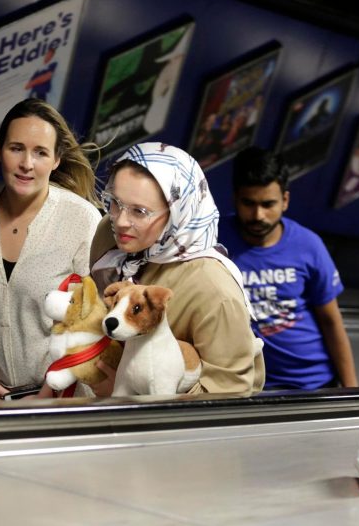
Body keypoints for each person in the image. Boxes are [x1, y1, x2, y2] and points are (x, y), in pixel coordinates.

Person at [89, 142, 265, 396]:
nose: (121, 221)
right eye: (115, 202)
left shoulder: (213, 289)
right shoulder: (110, 235)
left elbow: (229, 396)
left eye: (140, 211)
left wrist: (129, 395)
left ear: (178, 213)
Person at [0, 98, 102, 400]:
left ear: (56, 160)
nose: (27, 163)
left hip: (60, 402)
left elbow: (91, 324)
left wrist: (46, 396)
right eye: (16, 148)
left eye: (40, 153)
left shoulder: (81, 218)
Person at [222, 147, 358, 391]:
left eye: (268, 204)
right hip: (246, 387)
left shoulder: (308, 245)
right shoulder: (213, 240)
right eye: (248, 203)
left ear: (285, 200)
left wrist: (352, 391)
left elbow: (331, 321)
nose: (258, 215)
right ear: (235, 198)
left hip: (313, 383)